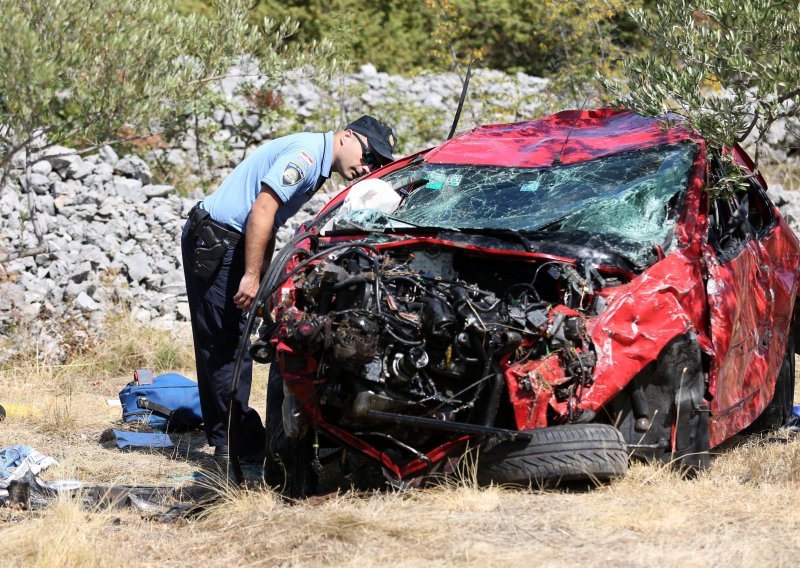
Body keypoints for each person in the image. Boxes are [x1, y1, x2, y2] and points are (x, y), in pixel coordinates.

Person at [181, 115, 398, 461]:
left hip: (229, 240)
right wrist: (252, 276)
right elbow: (262, 210)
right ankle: (238, 446)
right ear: (346, 137)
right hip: (219, 241)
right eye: (369, 156)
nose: (368, 167)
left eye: (377, 164)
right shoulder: (307, 157)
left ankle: (227, 437)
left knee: (220, 342)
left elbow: (270, 219)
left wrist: (264, 274)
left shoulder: (317, 161)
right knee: (228, 345)